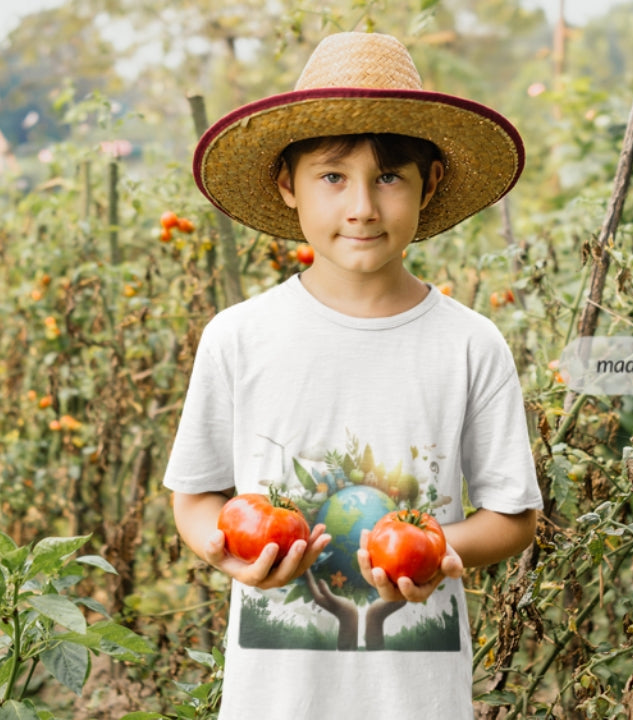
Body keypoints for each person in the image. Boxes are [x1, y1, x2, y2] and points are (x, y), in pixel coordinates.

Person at [163, 32, 543, 719]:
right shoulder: (240, 338)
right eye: (333, 177)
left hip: (417, 703)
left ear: (429, 184)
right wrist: (225, 553)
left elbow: (513, 516)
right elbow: (194, 496)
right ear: (288, 185)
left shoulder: (469, 344)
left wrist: (438, 552)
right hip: (272, 702)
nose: (363, 206)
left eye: (389, 177)